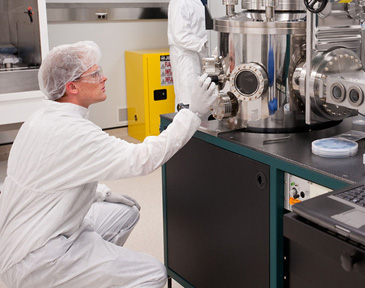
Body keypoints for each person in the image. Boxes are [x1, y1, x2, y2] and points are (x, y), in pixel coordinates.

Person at [0, 41, 217, 288]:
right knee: (153, 273)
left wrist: (100, 192)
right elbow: (142, 159)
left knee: (126, 212)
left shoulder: (41, 118)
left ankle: (88, 278)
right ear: (71, 86)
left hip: (28, 235)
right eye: (94, 74)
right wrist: (192, 114)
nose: (104, 77)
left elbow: (52, 177)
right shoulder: (73, 132)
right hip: (37, 258)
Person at [168, 0, 209, 108]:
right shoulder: (181, 0)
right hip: (185, 59)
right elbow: (181, 35)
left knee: (199, 102)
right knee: (187, 101)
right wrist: (203, 44)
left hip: (197, 56)